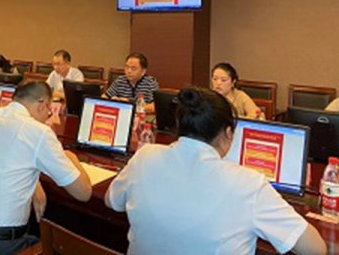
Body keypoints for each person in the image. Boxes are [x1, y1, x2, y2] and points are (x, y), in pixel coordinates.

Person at [106, 87, 326, 255]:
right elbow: (315, 249)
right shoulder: (248, 183)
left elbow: (112, 201)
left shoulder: (145, 156)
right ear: (228, 133)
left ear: (179, 125)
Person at [0, 81, 92, 255]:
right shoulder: (39, 131)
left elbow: (6, 156)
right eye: (49, 111)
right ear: (43, 105)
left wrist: (34, 183)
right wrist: (71, 157)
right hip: (5, 245)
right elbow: (83, 192)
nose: (47, 116)